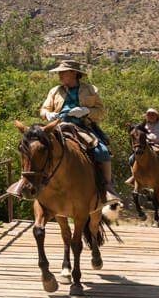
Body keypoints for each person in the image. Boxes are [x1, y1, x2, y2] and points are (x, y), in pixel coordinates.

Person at [39, 60, 120, 205]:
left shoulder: (90, 90)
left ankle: (107, 188)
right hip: (58, 127)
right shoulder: (55, 91)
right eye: (59, 72)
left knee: (102, 151)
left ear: (74, 73)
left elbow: (100, 111)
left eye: (63, 72)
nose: (60, 75)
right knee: (35, 147)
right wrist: (48, 114)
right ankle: (29, 183)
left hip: (82, 127)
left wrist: (86, 111)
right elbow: (44, 109)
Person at [126, 108, 159, 183]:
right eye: (148, 115)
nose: (150, 116)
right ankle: (135, 176)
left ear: (157, 116)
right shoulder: (142, 125)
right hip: (146, 146)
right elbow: (136, 134)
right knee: (131, 158)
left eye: (152, 114)